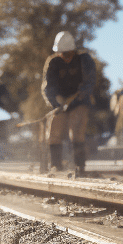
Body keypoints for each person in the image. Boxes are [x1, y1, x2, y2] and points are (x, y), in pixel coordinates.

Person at [41, 31, 96, 173]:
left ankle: (79, 166)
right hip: (60, 103)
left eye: (68, 53)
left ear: (73, 50)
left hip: (79, 102)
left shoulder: (84, 60)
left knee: (76, 130)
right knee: (53, 131)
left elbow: (90, 81)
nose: (65, 57)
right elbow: (48, 87)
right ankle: (55, 165)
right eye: (62, 53)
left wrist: (78, 96)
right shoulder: (53, 62)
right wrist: (56, 102)